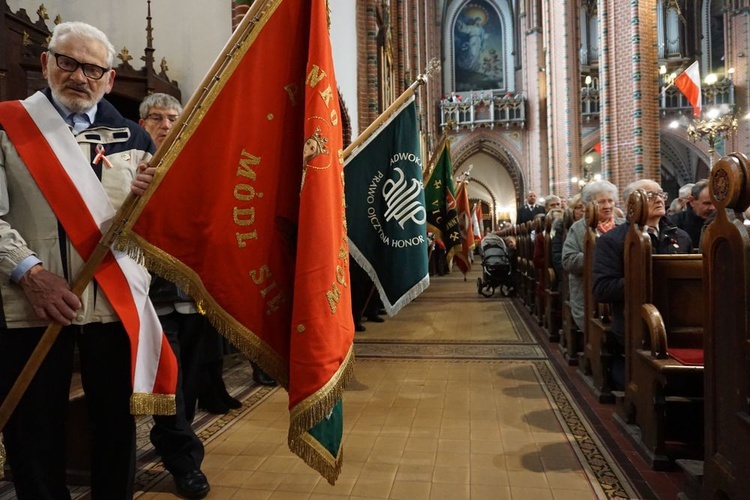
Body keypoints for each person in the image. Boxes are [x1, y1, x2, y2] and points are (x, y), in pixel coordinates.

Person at [0, 21, 164, 499]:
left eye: (93, 68)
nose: (80, 76)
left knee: (115, 426)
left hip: (112, 307)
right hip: (28, 302)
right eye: (68, 62)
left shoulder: (135, 138)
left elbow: (156, 231)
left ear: (109, 79)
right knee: (32, 427)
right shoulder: (8, 125)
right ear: (47, 63)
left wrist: (151, 205)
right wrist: (29, 273)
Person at [139, 93, 210, 499]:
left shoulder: (194, 166)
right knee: (170, 382)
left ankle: (172, 442)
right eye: (156, 118)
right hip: (153, 298)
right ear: (141, 123)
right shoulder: (131, 163)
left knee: (189, 383)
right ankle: (185, 464)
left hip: (196, 295)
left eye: (173, 117)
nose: (166, 125)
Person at [592, 179, 692, 390]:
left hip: (682, 321)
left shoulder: (681, 237)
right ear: (632, 204)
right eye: (650, 195)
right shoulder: (612, 241)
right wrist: (642, 281)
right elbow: (602, 289)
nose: (658, 199)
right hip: (636, 324)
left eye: (660, 194)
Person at [561, 181, 624, 333]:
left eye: (610, 200)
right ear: (587, 205)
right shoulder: (578, 228)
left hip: (620, 295)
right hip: (588, 296)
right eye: (601, 201)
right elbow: (568, 260)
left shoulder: (623, 226)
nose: (608, 206)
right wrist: (599, 258)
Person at [668, 179, 715, 249]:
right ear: (692, 201)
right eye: (707, 203)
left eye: (716, 203)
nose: (712, 208)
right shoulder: (673, 224)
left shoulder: (725, 224)